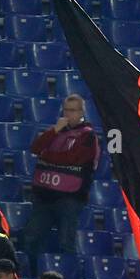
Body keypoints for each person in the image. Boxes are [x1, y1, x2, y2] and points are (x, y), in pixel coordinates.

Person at [20, 95, 97, 264]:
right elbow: (35, 148)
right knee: (31, 238)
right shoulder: (56, 131)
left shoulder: (88, 136)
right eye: (66, 110)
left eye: (73, 110)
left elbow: (72, 158)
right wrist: (54, 131)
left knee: (65, 243)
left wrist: (47, 156)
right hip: (44, 196)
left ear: (82, 112)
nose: (68, 114)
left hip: (70, 198)